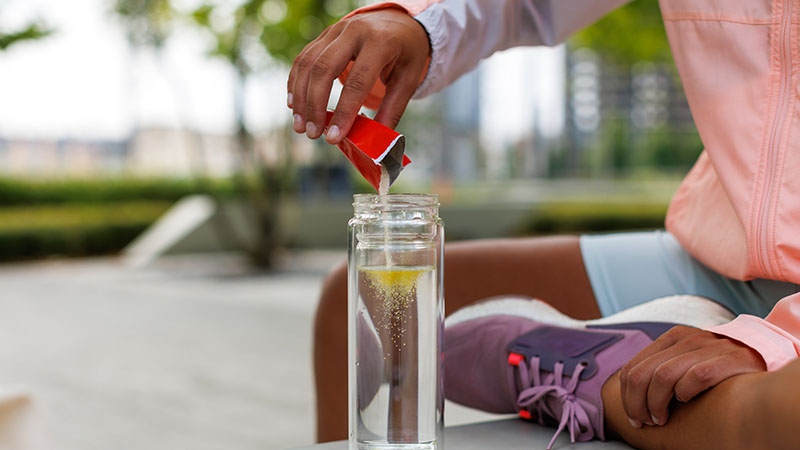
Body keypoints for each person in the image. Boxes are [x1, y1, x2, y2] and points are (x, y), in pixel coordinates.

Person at [287, 0, 800, 448]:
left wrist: (777, 343)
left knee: (762, 415)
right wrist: (421, 22)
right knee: (352, 305)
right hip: (722, 254)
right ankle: (599, 365)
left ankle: (596, 377)